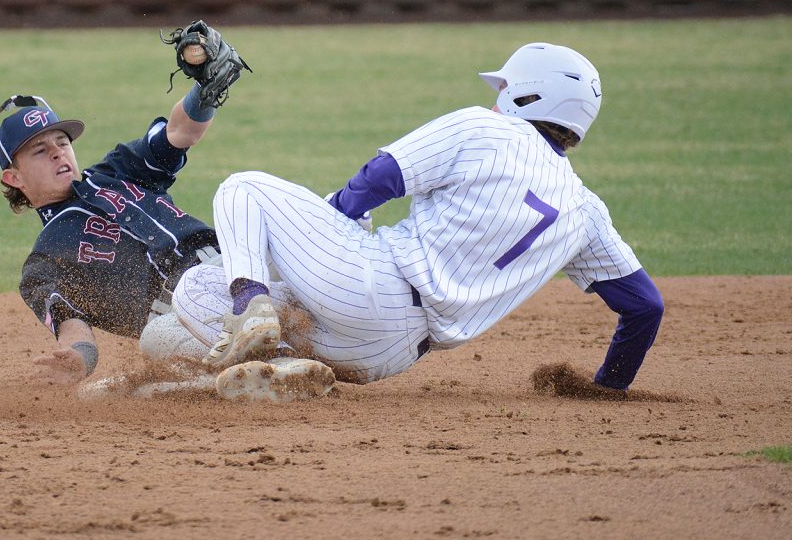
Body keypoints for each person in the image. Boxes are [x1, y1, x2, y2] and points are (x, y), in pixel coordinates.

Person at [173, 42, 664, 398]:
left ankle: (250, 306)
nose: (498, 98)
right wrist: (609, 386)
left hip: (370, 286)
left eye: (507, 88)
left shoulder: (487, 128)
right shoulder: (586, 212)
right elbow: (644, 307)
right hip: (389, 357)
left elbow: (378, 178)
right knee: (196, 289)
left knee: (243, 187)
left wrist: (335, 222)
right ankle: (288, 370)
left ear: (530, 97)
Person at [0, 21, 249, 386]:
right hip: (181, 320)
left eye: (62, 143)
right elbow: (71, 325)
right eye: (40, 150)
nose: (58, 153)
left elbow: (179, 133)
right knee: (155, 341)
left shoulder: (116, 170)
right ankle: (258, 367)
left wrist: (205, 90)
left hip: (227, 266)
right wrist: (78, 360)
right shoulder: (44, 261)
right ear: (13, 178)